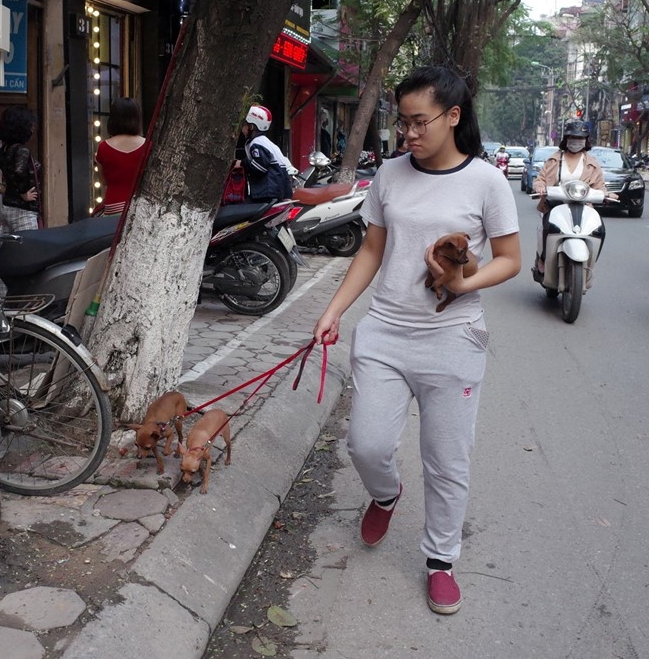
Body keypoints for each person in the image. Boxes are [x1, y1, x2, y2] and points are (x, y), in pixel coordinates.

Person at [311, 66, 521, 616]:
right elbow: (372, 251)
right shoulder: (390, 175)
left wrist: (462, 282)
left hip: (454, 336)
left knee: (446, 459)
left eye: (419, 121)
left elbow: (510, 261)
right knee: (366, 445)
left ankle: (441, 561)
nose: (408, 133)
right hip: (384, 332)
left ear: (453, 117)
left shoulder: (487, 183)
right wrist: (334, 310)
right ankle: (385, 493)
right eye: (401, 122)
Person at [531, 119, 607, 274]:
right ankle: (543, 258)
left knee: (600, 230)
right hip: (555, 204)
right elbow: (541, 178)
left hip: (583, 206)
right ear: (566, 139)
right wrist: (540, 187)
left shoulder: (592, 163)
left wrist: (607, 194)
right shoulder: (554, 159)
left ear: (586, 141)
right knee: (548, 226)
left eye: (580, 138)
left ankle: (590, 263)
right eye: (573, 138)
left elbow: (600, 186)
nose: (576, 141)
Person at [0, 106, 42, 232]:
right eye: (30, 125)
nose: (32, 129)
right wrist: (22, 193)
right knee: (29, 248)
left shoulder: (3, 151)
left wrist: (1, 189)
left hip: (7, 208)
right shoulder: (21, 150)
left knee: (12, 248)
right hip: (23, 211)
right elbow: (18, 172)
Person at [95, 97, 148, 216]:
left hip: (112, 206)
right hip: (140, 206)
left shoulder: (103, 147)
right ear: (137, 118)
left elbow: (103, 181)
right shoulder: (148, 146)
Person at [241, 105, 295, 201]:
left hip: (267, 192)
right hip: (278, 190)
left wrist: (241, 163)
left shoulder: (256, 143)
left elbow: (260, 167)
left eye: (244, 124)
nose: (242, 129)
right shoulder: (265, 142)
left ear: (252, 126)